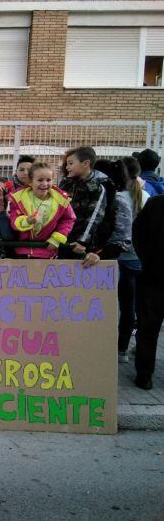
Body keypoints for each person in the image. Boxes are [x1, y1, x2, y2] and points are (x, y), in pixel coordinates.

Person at [97, 159, 148, 363]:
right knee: (130, 306)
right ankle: (122, 350)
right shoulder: (144, 195)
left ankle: (104, 346)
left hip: (115, 257)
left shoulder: (116, 198)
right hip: (137, 257)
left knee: (106, 306)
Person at [8, 162, 76, 259]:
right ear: (31, 181)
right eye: (40, 180)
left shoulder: (61, 200)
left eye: (48, 180)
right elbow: (14, 219)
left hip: (47, 251)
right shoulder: (18, 198)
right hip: (22, 251)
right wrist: (26, 221)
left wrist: (56, 238)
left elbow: (68, 220)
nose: (45, 184)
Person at [131, 193, 164, 390]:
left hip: (153, 277)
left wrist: (146, 260)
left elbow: (137, 233)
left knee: (147, 330)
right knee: (147, 330)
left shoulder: (156, 203)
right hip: (153, 277)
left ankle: (144, 377)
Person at [58, 147, 111, 260]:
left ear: (86, 163)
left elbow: (94, 217)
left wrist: (83, 241)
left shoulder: (96, 188)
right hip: (61, 239)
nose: (67, 167)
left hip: (79, 245)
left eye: (71, 163)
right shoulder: (66, 183)